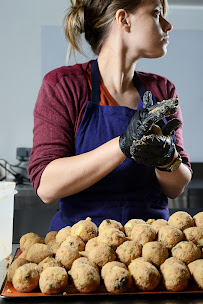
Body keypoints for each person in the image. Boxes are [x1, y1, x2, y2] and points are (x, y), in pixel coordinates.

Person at [28, 0, 192, 231]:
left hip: (151, 242)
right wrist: (123, 145)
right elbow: (46, 186)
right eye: (156, 13)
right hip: (80, 246)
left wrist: (167, 159)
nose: (168, 25)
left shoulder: (162, 90)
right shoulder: (64, 86)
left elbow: (175, 188)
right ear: (123, 19)